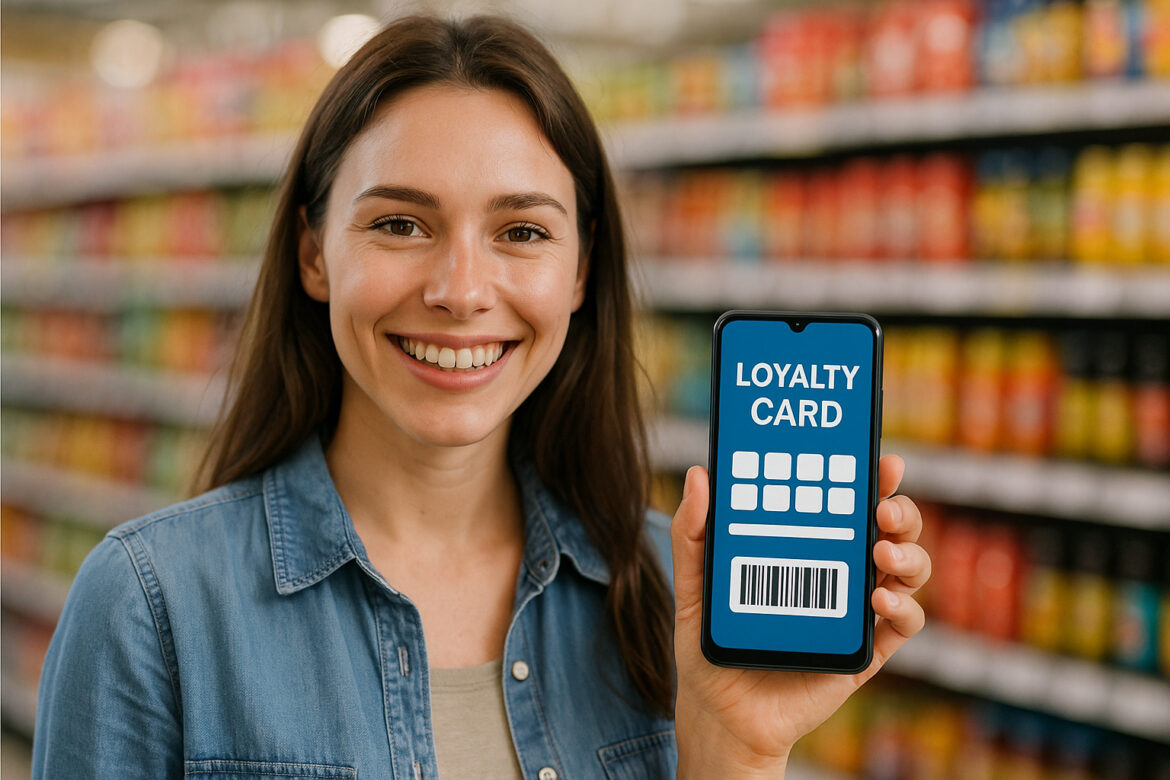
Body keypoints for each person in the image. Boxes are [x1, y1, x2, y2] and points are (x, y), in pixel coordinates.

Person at [32, 14, 930, 779]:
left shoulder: (680, 593)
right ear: (313, 255)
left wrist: (734, 752)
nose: (461, 291)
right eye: (400, 224)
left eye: (522, 231)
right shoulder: (150, 606)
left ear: (580, 271)